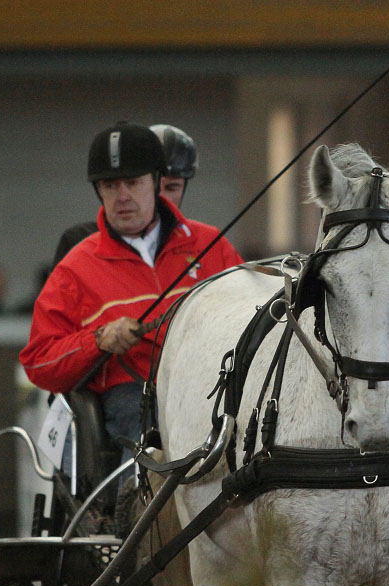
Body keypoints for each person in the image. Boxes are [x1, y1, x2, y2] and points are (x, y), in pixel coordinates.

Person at [20, 121, 242, 463]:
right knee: (139, 420)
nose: (122, 196)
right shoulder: (74, 269)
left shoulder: (212, 246)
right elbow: (39, 361)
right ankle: (135, 511)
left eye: (133, 183)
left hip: (215, 389)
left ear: (155, 183)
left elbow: (252, 318)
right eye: (110, 185)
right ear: (99, 192)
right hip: (135, 396)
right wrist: (98, 340)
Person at [51, 123, 199, 267]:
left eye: (172, 188)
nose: (161, 196)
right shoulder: (78, 242)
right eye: (135, 183)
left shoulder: (203, 242)